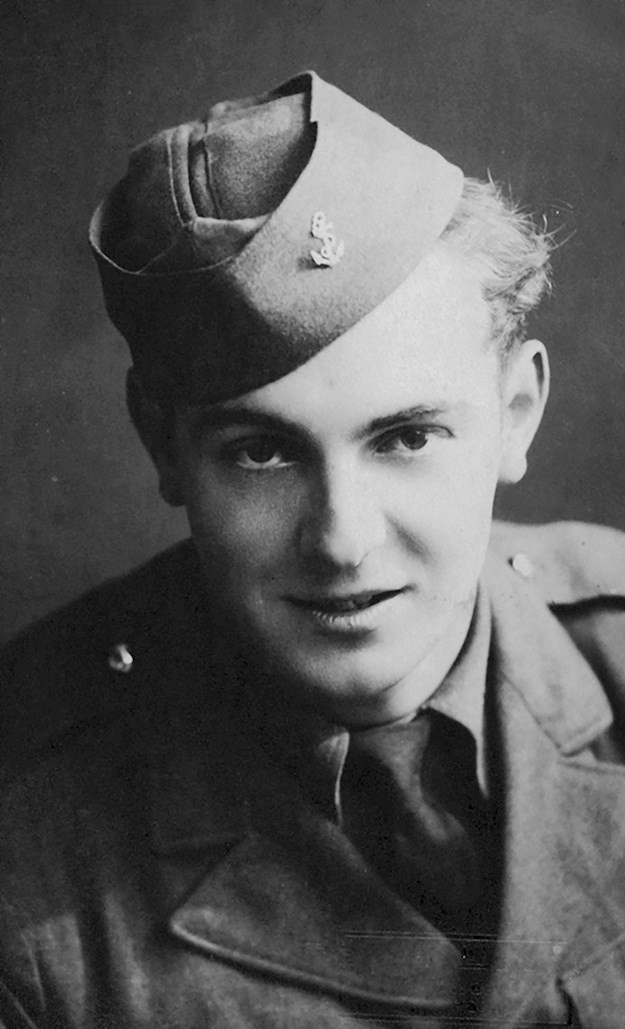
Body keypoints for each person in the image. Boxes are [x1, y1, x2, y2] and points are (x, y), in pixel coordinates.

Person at [2, 70, 625, 1029]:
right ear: (162, 445)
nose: (341, 540)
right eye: (261, 451)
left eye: (406, 437)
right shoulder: (28, 832)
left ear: (515, 413)